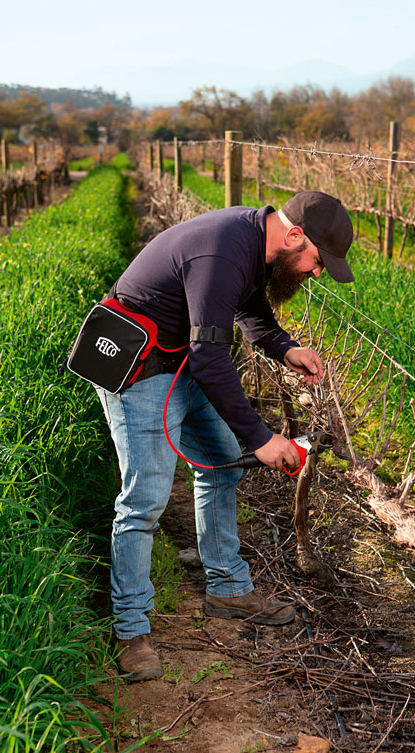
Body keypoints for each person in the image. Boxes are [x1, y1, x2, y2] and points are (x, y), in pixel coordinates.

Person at [95, 190, 354, 681]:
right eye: (318, 262)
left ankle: (228, 590)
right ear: (295, 236)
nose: (316, 273)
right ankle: (131, 630)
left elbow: (251, 310)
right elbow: (211, 357)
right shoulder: (222, 251)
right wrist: (262, 438)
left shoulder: (258, 239)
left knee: (218, 461)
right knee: (144, 501)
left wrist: (286, 348)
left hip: (181, 361)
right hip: (140, 369)